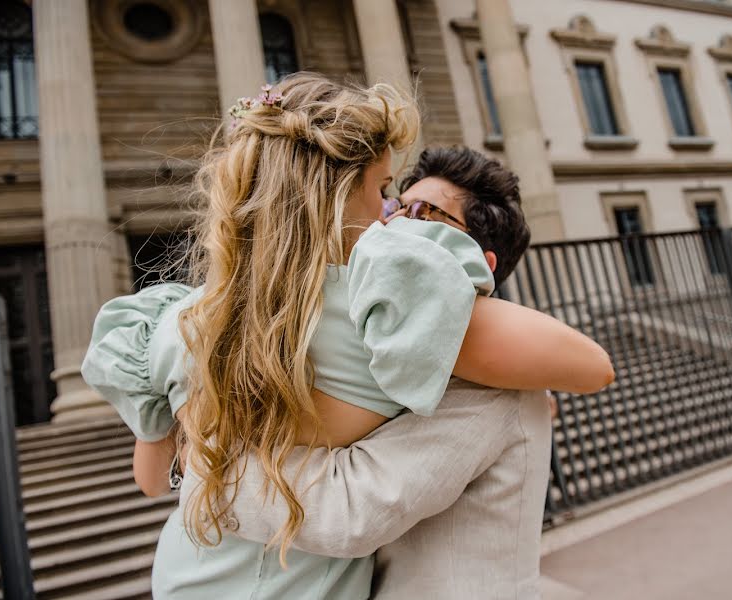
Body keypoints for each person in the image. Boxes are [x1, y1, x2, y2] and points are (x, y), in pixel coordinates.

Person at [82, 74, 613, 599]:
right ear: (338, 192)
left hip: (184, 577)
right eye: (388, 193)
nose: (393, 216)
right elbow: (590, 367)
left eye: (418, 213)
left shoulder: (184, 316)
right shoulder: (382, 320)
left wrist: (200, 455)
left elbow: (154, 480)